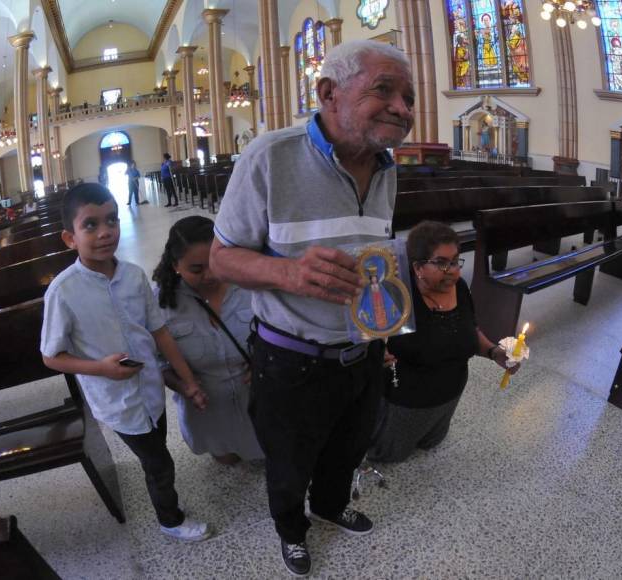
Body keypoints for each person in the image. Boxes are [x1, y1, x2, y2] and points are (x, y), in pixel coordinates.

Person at [209, 40, 415, 576]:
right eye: (384, 91)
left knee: (348, 446)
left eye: (409, 97)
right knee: (288, 462)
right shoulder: (269, 156)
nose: (403, 107)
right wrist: (289, 273)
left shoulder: (387, 168)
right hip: (291, 358)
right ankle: (291, 529)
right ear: (328, 93)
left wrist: (385, 326)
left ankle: (329, 505)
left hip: (363, 350)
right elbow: (221, 259)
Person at [40, 183, 213, 542]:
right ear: (69, 238)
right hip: (117, 402)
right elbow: (51, 356)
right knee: (158, 463)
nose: (105, 232)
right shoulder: (63, 291)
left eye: (112, 220)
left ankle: (164, 498)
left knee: (158, 449)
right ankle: (170, 519)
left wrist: (188, 380)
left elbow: (160, 332)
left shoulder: (133, 276)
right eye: (90, 225)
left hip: (150, 391)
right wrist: (100, 368)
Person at [368, 221, 520, 463]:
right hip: (407, 402)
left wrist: (494, 352)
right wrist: (376, 352)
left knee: (432, 442)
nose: (452, 270)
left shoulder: (458, 287)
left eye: (455, 261)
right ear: (418, 267)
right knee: (387, 455)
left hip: (449, 398)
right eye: (441, 263)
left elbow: (470, 330)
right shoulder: (399, 295)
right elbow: (368, 335)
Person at [153, 216, 264, 465]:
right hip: (208, 408)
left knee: (263, 452)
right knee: (225, 457)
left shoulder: (248, 283)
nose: (210, 275)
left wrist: (263, 360)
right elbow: (157, 361)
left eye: (215, 263)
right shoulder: (160, 304)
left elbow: (282, 329)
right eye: (196, 269)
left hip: (257, 398)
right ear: (175, 265)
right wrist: (184, 387)